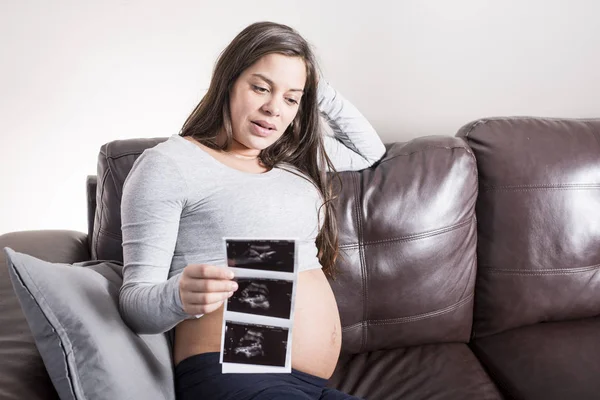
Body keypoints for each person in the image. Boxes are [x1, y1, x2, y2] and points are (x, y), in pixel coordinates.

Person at [118, 21, 386, 400]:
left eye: (290, 99)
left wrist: (308, 83)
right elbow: (134, 305)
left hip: (309, 384)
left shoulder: (291, 160)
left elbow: (368, 151)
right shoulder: (171, 163)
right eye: (261, 87)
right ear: (228, 80)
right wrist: (176, 296)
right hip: (238, 373)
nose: (273, 109)